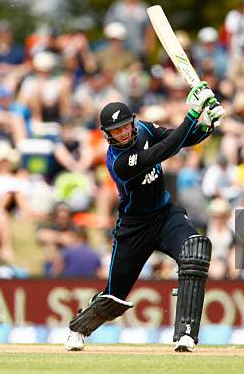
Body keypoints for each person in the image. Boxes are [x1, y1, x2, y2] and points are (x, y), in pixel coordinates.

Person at [65, 81, 226, 353]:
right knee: (114, 297)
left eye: (125, 126)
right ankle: (79, 328)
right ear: (107, 136)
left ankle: (186, 334)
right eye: (115, 131)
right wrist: (193, 113)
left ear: (132, 122)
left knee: (195, 252)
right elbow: (162, 152)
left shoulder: (144, 129)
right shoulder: (118, 161)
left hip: (165, 216)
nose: (123, 133)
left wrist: (206, 125)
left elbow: (181, 139)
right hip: (134, 227)